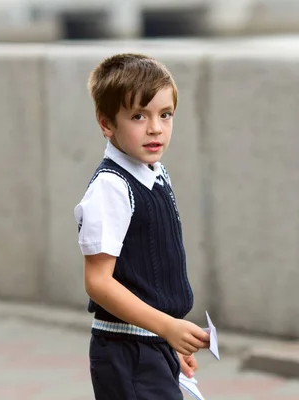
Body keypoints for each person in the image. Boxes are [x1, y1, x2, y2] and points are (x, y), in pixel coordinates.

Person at [74, 53, 210, 399]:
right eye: (138, 116)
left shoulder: (155, 173)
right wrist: (166, 327)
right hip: (127, 351)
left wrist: (170, 340)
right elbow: (98, 281)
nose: (155, 128)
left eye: (165, 115)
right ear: (107, 124)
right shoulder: (112, 187)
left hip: (151, 343)